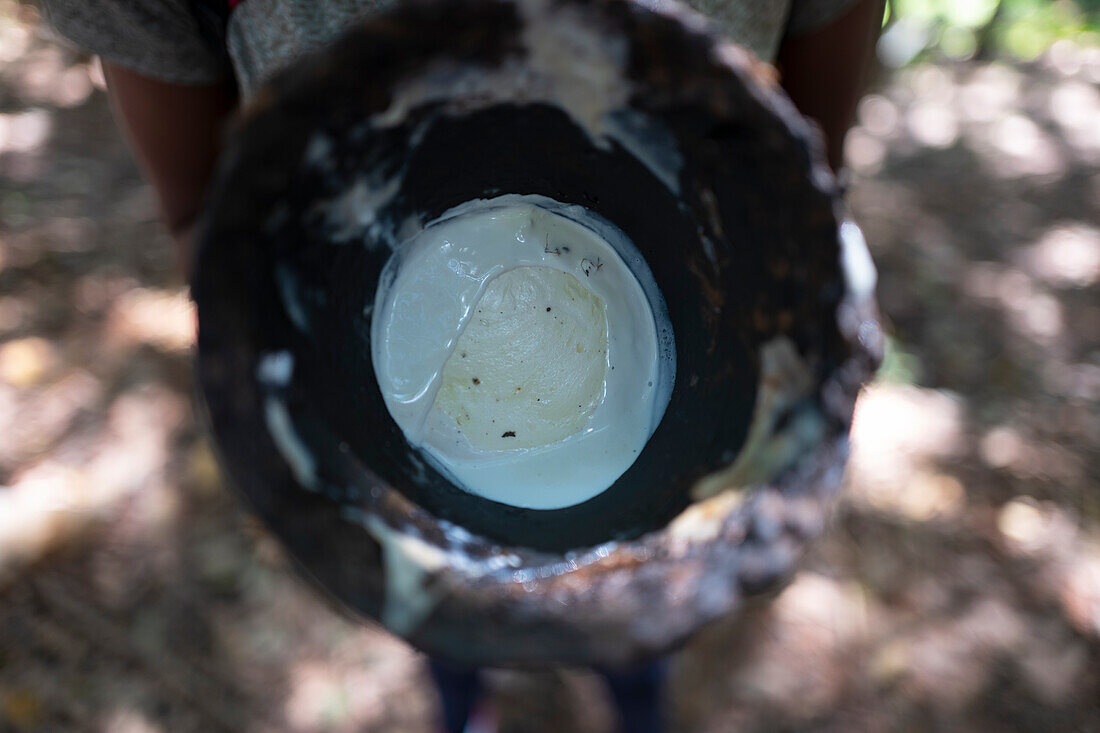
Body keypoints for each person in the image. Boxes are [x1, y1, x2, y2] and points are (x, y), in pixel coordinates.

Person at [39, 0, 883, 730]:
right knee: (450, 600)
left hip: (678, 418)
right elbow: (201, 215)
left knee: (639, 593)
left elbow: (808, 179)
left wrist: (819, 264)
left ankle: (633, 688)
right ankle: (465, 693)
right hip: (384, 424)